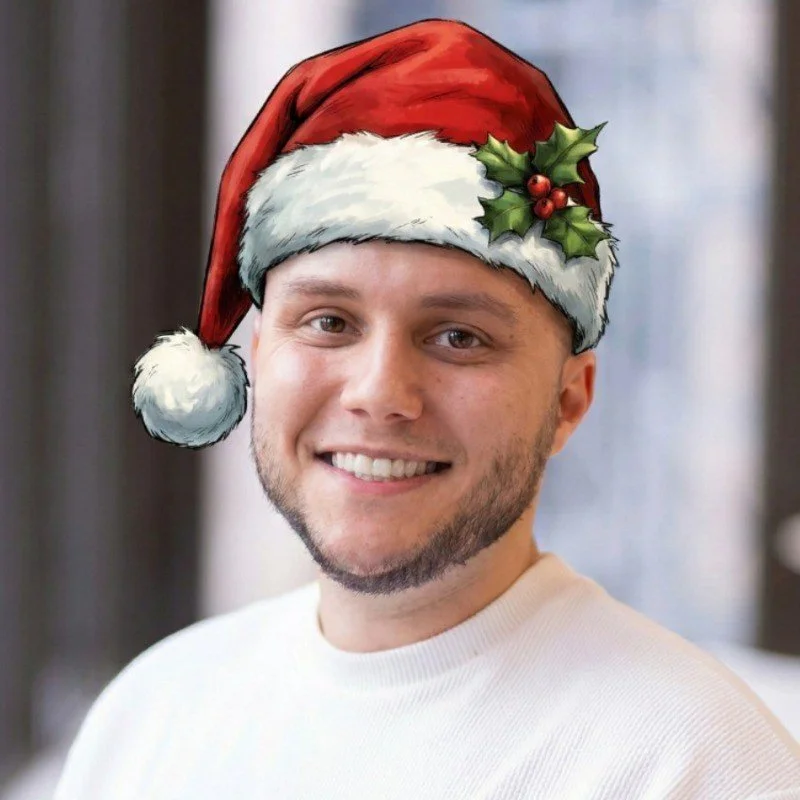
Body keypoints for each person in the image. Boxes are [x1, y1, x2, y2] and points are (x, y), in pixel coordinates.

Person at [54, 18, 800, 800]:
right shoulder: (152, 715)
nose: (379, 392)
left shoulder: (692, 764)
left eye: (458, 337)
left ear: (569, 400)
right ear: (260, 353)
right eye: (329, 322)